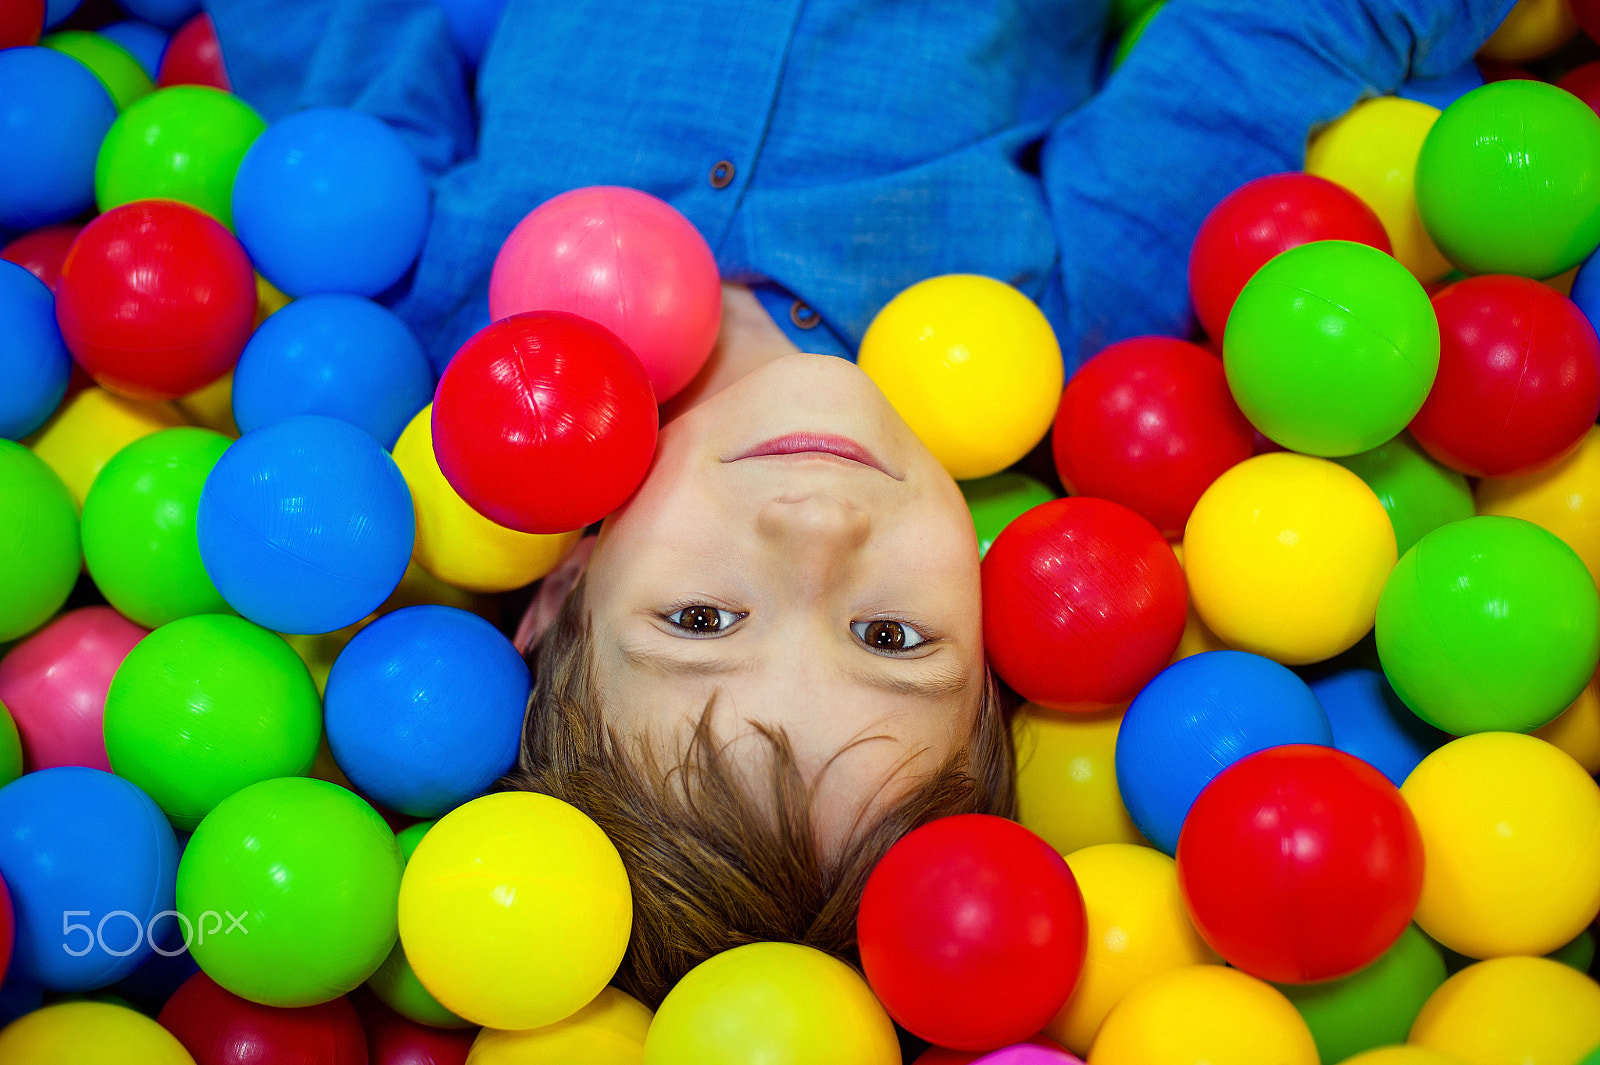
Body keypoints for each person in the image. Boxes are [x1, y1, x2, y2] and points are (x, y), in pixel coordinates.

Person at [206, 0, 1518, 1008]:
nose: (819, 536)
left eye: (704, 615)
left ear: (557, 596)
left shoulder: (442, 316)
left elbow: (340, 45)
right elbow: (1260, 47)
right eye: (895, 640)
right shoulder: (1065, 328)